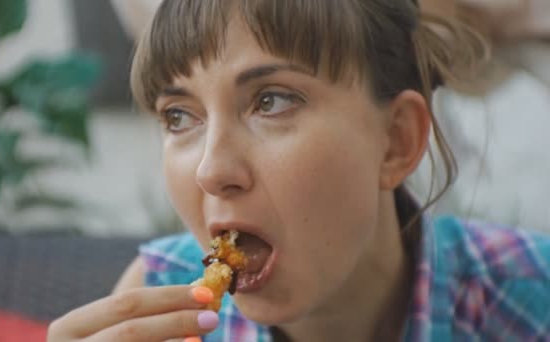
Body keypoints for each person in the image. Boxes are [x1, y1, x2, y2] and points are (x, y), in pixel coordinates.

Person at [48, 1, 550, 341]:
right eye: (179, 115)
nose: (210, 171)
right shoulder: (157, 299)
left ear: (397, 140)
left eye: (271, 101)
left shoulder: (528, 296)